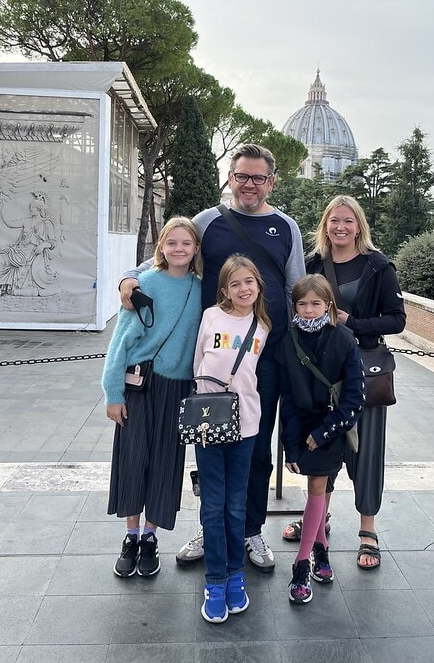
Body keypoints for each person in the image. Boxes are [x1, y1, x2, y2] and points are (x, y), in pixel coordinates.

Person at [119, 144, 305, 572]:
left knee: (256, 449)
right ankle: (212, 526)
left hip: (266, 359)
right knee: (210, 446)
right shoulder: (209, 221)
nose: (249, 185)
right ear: (230, 178)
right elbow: (163, 257)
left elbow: (296, 288)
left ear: (271, 181)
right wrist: (129, 278)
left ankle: (250, 529)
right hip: (211, 363)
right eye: (242, 176)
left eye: (258, 178)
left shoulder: (286, 226)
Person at [282, 195, 406, 570]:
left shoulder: (378, 266)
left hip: (362, 374)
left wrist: (351, 322)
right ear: (325, 225)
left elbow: (396, 320)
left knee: (365, 453)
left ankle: (368, 530)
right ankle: (319, 518)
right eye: (334, 220)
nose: (340, 227)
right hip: (318, 374)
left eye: (348, 221)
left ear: (359, 226)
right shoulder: (313, 263)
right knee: (321, 447)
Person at [103, 217, 202, 578]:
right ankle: (131, 535)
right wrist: (113, 393)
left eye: (186, 243)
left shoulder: (200, 289)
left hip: (177, 389)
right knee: (133, 459)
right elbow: (121, 343)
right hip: (139, 386)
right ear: (160, 247)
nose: (178, 249)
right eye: (171, 242)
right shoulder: (144, 284)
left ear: (195, 250)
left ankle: (150, 537)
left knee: (165, 463)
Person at [278, 274, 364, 604]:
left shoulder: (343, 339)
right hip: (301, 427)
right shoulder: (288, 341)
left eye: (316, 303)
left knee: (318, 487)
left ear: (328, 305)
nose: (309, 310)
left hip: (332, 428)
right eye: (302, 304)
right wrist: (291, 440)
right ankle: (321, 549)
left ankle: (301, 564)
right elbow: (286, 396)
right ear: (294, 305)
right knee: (321, 488)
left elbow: (354, 398)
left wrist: (323, 432)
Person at [193, 254, 271, 623]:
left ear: (258, 285)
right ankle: (215, 580)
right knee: (213, 503)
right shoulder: (211, 316)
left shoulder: (263, 325)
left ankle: (235, 576)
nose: (243, 289)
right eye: (235, 283)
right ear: (224, 289)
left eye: (249, 282)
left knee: (236, 504)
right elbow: (198, 365)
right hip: (210, 421)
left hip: (247, 423)